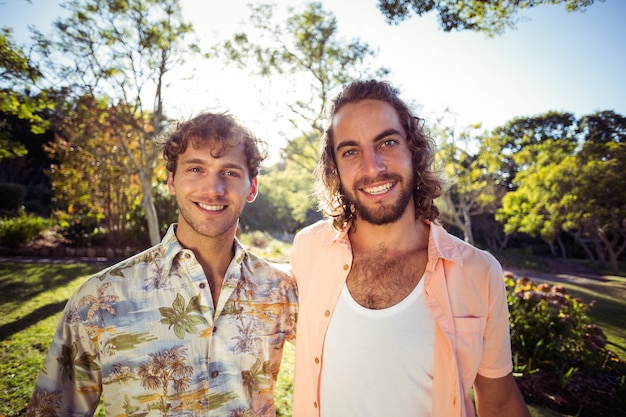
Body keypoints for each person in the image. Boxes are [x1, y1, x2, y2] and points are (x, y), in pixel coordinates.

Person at [26, 112, 298, 416]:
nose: (213, 189)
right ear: (171, 181)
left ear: (252, 187)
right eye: (196, 168)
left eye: (230, 172)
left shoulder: (281, 291)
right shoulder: (100, 297)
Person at [290, 80, 530, 417]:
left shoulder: (478, 272)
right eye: (350, 151)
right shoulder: (308, 248)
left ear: (413, 152)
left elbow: (500, 401)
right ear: (336, 167)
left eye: (386, 142)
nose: (372, 168)